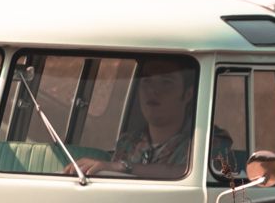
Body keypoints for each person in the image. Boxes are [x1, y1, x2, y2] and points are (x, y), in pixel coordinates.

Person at [69, 59, 229, 180]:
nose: (153, 90)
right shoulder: (128, 142)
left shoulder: (209, 141)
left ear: (187, 94)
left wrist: (122, 167)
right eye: (146, 81)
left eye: (166, 82)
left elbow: (195, 174)